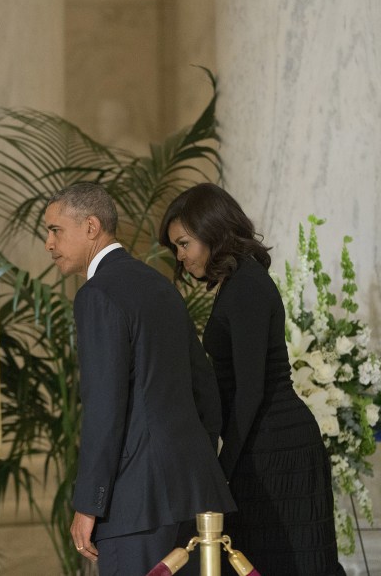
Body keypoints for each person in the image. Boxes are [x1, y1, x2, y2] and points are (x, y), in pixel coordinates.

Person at [44, 182, 235, 575]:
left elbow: (104, 408)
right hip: (195, 500)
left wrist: (89, 504)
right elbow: (205, 390)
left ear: (92, 227)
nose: (48, 244)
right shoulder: (160, 285)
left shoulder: (97, 294)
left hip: (136, 507)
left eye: (55, 230)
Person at [159, 183, 344, 575]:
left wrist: (221, 474)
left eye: (184, 243)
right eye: (176, 246)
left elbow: (250, 392)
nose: (180, 255)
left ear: (211, 231)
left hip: (277, 449)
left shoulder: (246, 286)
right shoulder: (240, 282)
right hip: (265, 444)